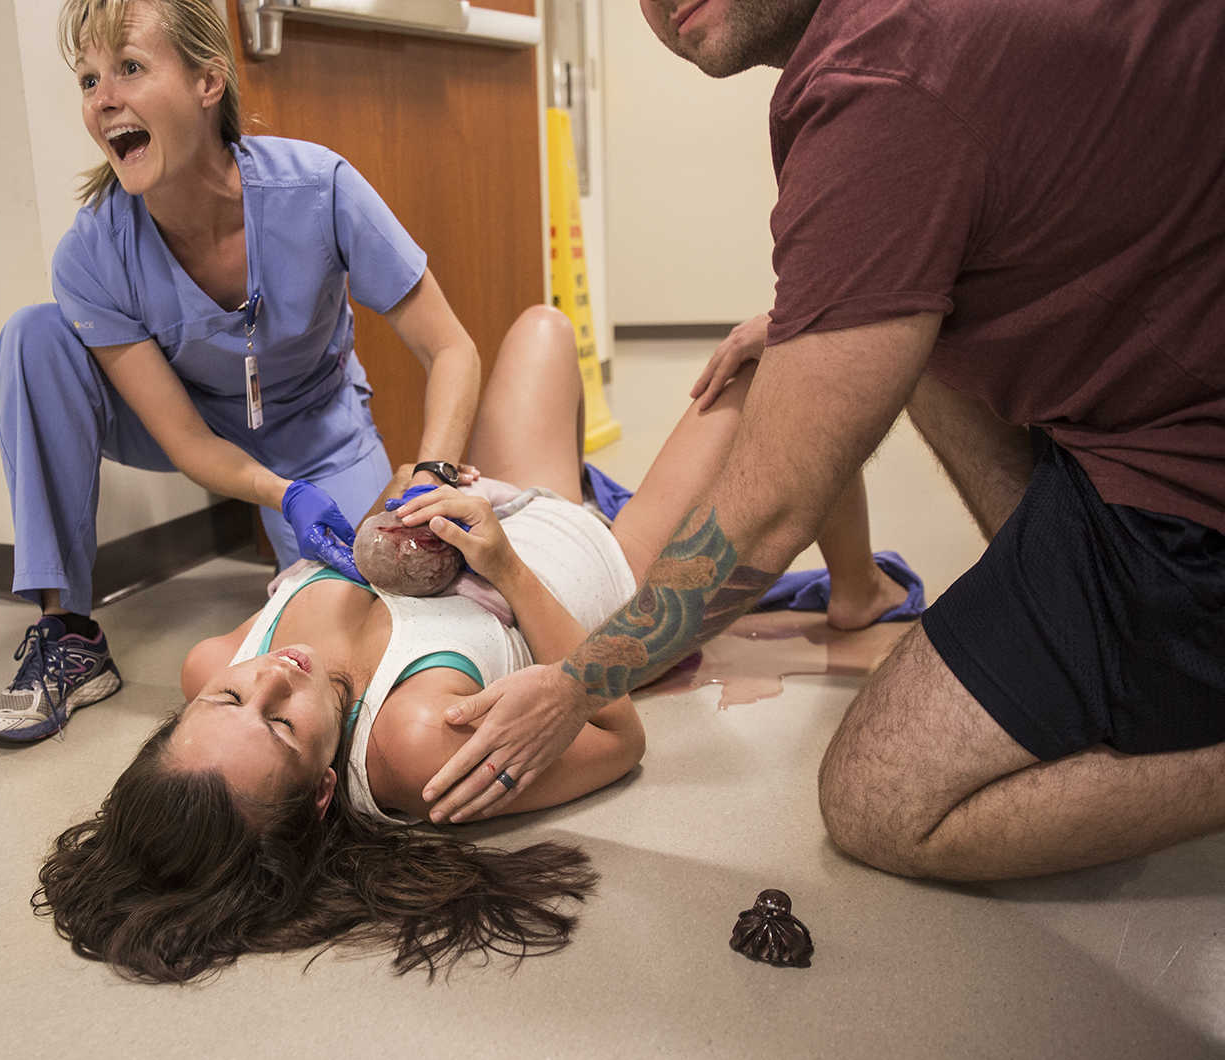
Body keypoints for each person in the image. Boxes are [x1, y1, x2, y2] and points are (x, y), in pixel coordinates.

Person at [420, 0, 1225, 883]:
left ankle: (1123, 649)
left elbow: (767, 513)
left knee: (877, 798)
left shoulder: (879, 76)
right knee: (868, 348)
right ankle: (1002, 612)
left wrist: (575, 687)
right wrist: (832, 309)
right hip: (1174, 374)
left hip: (1187, 482)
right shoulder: (911, 53)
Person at [36, 303, 884, 982]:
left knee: (542, 328)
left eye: (230, 696)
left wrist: (406, 504)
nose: (271, 677)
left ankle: (588, 485)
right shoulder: (412, 748)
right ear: (326, 793)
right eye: (282, 723)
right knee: (788, 370)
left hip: (506, 502)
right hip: (595, 571)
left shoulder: (211, 664)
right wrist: (509, 571)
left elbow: (360, 605)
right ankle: (857, 593)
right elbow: (617, 736)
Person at [0, 0, 494, 742]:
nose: (103, 99)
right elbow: (186, 442)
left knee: (377, 601)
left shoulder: (319, 188)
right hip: (188, 421)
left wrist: (434, 471)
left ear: (208, 81)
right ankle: (68, 634)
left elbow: (452, 348)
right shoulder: (92, 253)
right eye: (88, 80)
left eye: (128, 67)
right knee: (34, 337)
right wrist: (282, 496)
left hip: (318, 426)